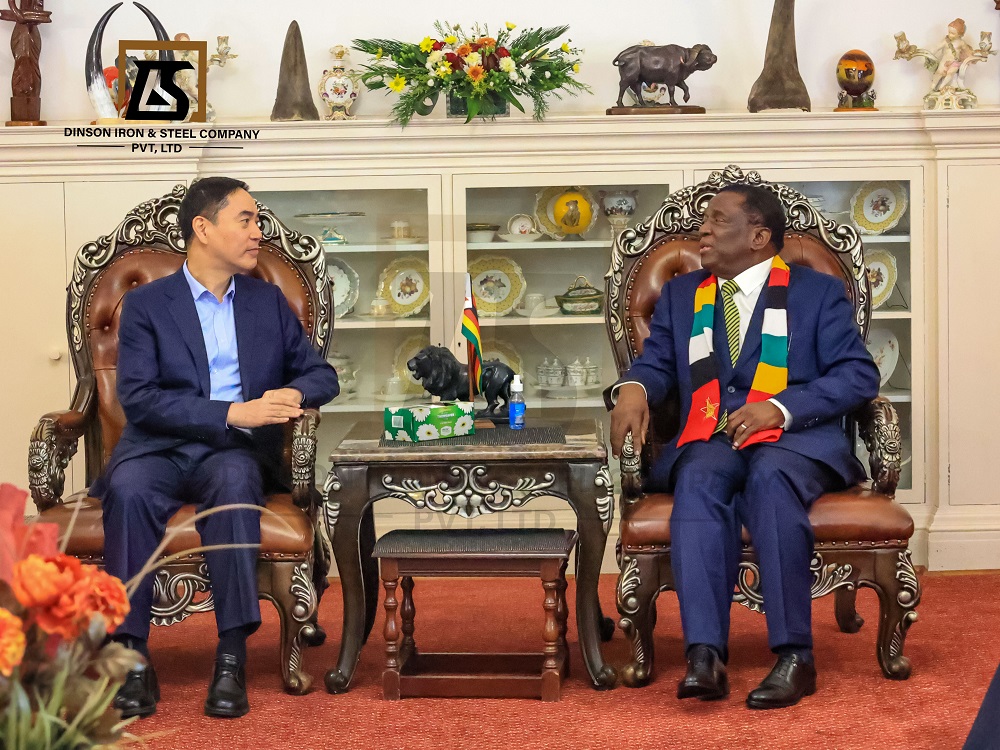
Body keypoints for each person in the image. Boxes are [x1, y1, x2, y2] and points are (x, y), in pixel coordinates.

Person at [609, 184, 879, 709]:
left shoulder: (816, 293)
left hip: (797, 440)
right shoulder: (683, 295)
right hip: (713, 434)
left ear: (758, 236)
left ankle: (795, 656)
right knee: (697, 477)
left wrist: (780, 407)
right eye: (704, 221)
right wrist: (634, 388)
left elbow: (857, 374)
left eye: (717, 220)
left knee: (770, 478)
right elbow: (656, 364)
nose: (702, 230)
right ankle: (704, 655)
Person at [90, 177, 339, 719]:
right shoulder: (147, 304)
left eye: (257, 221)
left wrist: (294, 393)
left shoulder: (266, 302)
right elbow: (140, 399)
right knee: (128, 490)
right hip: (156, 448)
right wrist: (232, 412)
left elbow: (322, 375)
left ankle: (231, 658)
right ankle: (131, 658)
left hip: (233, 452)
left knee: (234, 481)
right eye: (245, 220)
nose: (257, 232)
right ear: (203, 228)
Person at [931, 18, 975, 91]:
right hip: (944, 61)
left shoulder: (961, 43)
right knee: (939, 73)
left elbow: (967, 51)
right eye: (949, 32)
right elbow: (937, 47)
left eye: (953, 33)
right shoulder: (946, 41)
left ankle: (942, 86)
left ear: (960, 34)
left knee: (950, 74)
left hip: (955, 62)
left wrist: (972, 57)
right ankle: (933, 86)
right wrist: (931, 53)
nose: (950, 35)